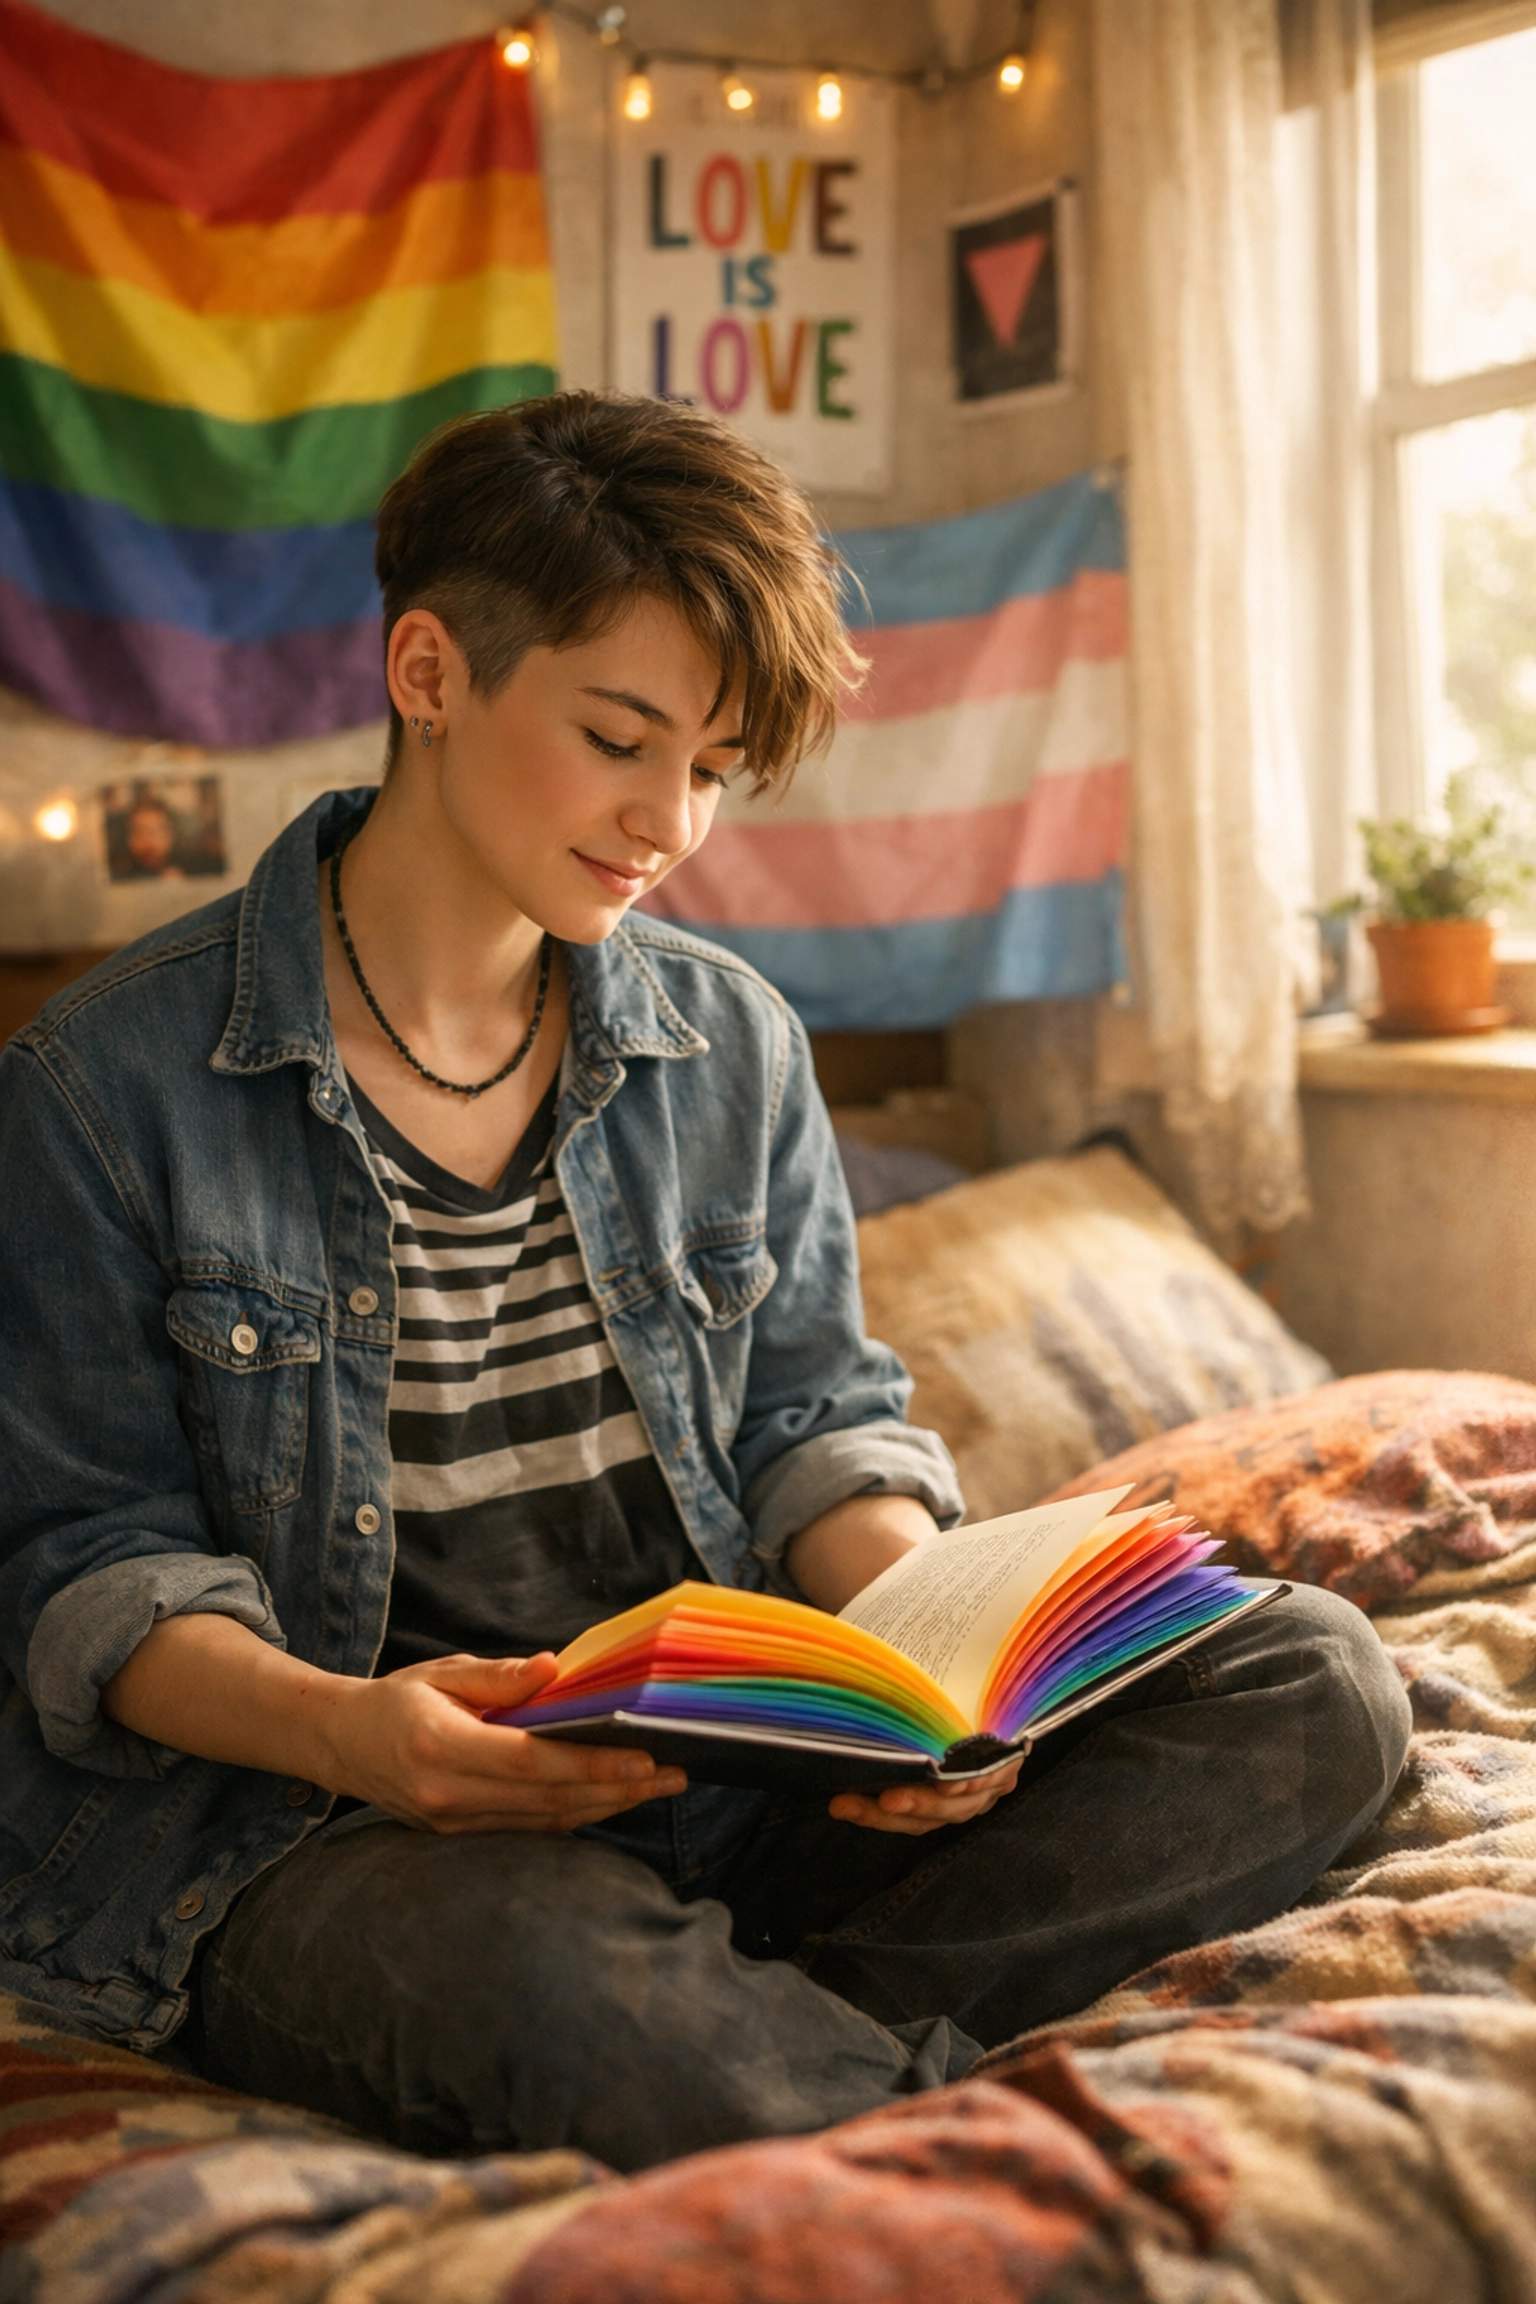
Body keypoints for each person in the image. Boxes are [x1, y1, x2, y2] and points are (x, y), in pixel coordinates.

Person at [0, 392, 1411, 2175]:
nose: (672, 819)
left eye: (718, 768)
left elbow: (815, 1422)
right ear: (429, 671)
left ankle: (770, 2053)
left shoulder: (728, 1039)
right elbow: (85, 1575)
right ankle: (864, 2110)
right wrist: (364, 1738)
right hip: (338, 1825)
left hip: (731, 1779)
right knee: (543, 1972)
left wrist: (927, 1673)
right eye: (619, 738)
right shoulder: (96, 1090)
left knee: (1313, 1680)